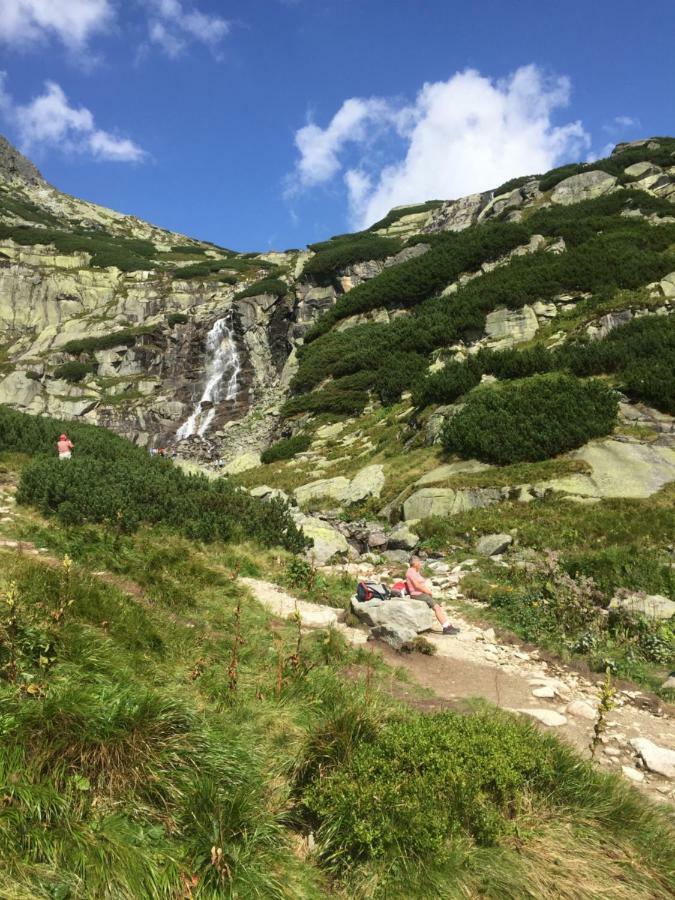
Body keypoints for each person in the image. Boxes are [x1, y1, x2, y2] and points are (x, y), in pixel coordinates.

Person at [405, 556, 460, 636]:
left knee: (437, 607)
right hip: (418, 595)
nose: (420, 564)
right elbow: (417, 585)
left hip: (421, 594)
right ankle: (446, 628)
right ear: (415, 563)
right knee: (436, 607)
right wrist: (428, 591)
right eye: (419, 562)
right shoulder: (410, 572)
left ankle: (449, 626)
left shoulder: (415, 571)